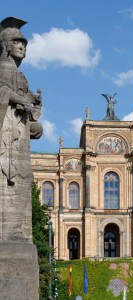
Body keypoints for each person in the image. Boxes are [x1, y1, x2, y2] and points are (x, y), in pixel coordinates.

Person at [0, 17, 43, 242]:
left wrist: (32, 106)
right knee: (15, 182)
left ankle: (16, 233)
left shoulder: (20, 75)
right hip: (8, 140)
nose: (22, 46)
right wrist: (20, 99)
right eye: (18, 42)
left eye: (25, 44)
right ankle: (11, 234)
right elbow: (2, 92)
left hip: (18, 137)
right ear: (6, 45)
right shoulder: (4, 68)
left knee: (24, 181)